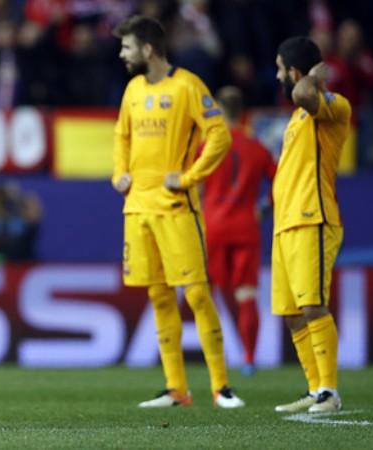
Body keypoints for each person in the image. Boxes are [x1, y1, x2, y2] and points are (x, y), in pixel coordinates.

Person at [112, 15, 245, 409]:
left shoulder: (187, 86)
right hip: (138, 207)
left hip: (175, 208)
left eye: (127, 47)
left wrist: (189, 177)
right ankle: (177, 389)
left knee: (198, 294)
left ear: (148, 49)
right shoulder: (133, 89)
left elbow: (219, 136)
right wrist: (119, 173)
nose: (122, 54)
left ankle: (221, 387)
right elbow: (122, 136)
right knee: (159, 296)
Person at [271, 37, 350, 413]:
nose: (276, 76)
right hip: (285, 225)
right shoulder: (297, 117)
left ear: (295, 72)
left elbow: (304, 93)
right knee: (292, 314)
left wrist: (315, 77)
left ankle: (329, 392)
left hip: (312, 218)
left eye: (280, 68)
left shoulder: (333, 106)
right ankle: (315, 388)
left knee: (314, 306)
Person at [202, 86, 276, 376]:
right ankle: (248, 358)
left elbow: (192, 181)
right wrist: (264, 207)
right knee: (246, 294)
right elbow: (281, 182)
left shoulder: (207, 145)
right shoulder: (257, 147)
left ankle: (213, 358)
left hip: (213, 226)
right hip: (246, 226)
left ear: (219, 110)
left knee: (206, 294)